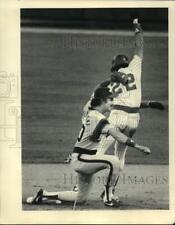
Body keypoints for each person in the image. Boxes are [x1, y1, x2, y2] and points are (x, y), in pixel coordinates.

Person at [26, 87, 150, 208]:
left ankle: (44, 195)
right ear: (102, 101)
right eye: (110, 100)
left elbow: (93, 97)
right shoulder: (100, 120)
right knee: (115, 162)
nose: (113, 102)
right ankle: (108, 197)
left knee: (80, 198)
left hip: (83, 159)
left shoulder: (88, 111)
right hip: (82, 159)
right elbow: (118, 136)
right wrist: (139, 147)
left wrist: (109, 82)